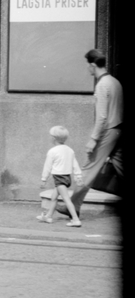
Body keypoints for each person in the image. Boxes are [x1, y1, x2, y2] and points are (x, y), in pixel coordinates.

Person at [69, 50, 122, 214]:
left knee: (88, 168)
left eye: (87, 65)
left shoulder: (102, 85)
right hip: (118, 129)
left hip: (108, 131)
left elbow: (102, 117)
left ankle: (72, 206)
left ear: (92, 65)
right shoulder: (115, 82)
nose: (87, 68)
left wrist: (93, 139)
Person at [37, 125, 83, 226]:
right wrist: (78, 175)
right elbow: (75, 164)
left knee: (66, 199)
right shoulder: (70, 150)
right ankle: (48, 216)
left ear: (53, 138)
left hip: (59, 179)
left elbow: (47, 166)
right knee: (54, 197)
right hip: (66, 177)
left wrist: (44, 179)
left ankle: (75, 219)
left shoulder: (52, 151)